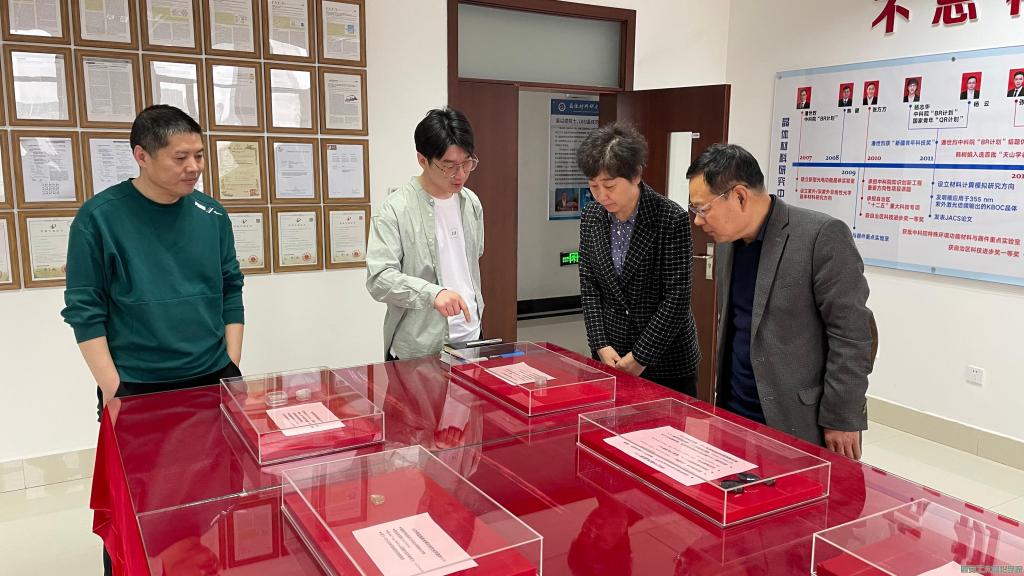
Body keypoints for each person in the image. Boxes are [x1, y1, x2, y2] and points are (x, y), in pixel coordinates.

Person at [61, 104, 244, 575]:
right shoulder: (99, 218)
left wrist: (230, 363)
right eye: (180, 157)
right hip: (137, 388)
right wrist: (114, 389)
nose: (194, 167)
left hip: (209, 380)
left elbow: (231, 289)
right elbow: (85, 311)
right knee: (134, 506)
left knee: (203, 496)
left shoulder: (212, 214)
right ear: (141, 156)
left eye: (199, 155)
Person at [685, 143, 874, 459]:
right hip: (735, 409)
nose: (698, 221)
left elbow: (851, 336)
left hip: (797, 417)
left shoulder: (820, 236)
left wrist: (842, 417)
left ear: (740, 196)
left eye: (702, 209)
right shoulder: (728, 243)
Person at [577, 122, 700, 394]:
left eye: (610, 186)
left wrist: (640, 356)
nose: (601, 195)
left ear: (636, 175)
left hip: (665, 360)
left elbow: (676, 298)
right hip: (611, 355)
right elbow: (589, 284)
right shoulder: (592, 217)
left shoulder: (670, 218)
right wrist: (600, 344)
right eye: (594, 186)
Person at [366, 107, 484, 360]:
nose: (460, 174)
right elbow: (379, 279)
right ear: (422, 160)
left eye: (466, 163)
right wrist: (433, 294)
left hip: (472, 339)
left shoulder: (471, 203)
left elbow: (471, 265)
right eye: (449, 166)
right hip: (419, 350)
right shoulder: (395, 209)